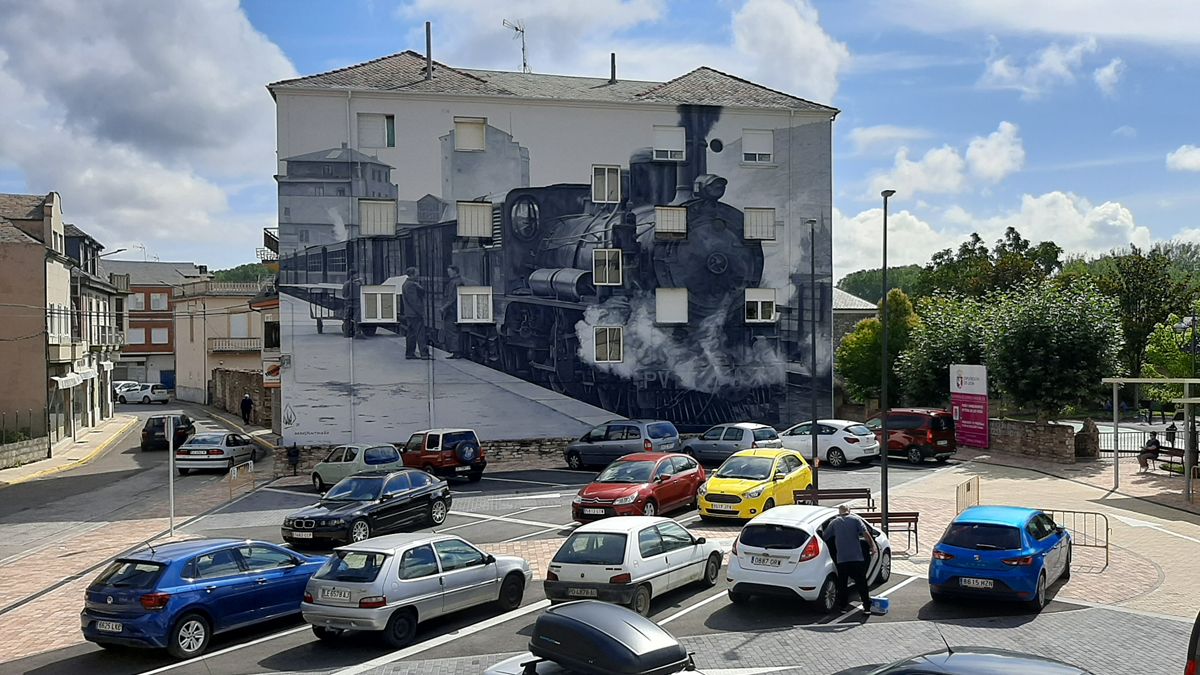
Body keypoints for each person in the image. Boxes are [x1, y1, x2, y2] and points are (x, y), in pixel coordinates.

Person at [820, 504, 878, 613]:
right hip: (857, 558)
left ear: (839, 512)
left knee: (843, 584)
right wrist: (873, 546)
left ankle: (843, 607)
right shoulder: (856, 520)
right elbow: (866, 535)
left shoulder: (834, 522)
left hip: (842, 559)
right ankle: (866, 607)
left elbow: (825, 536)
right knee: (861, 583)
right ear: (849, 511)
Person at [402, 266, 430, 360]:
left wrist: (419, 286)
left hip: (410, 313)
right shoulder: (410, 285)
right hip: (414, 314)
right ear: (412, 274)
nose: (418, 275)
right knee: (420, 334)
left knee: (411, 334)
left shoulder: (409, 284)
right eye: (416, 273)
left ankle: (409, 354)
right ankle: (424, 354)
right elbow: (414, 301)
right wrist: (421, 312)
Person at [441, 265, 465, 359]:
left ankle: (456, 352)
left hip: (452, 311)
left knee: (452, 331)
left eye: (450, 272)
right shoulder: (456, 281)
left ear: (455, 271)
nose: (449, 274)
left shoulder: (455, 282)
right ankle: (455, 351)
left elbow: (452, 298)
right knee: (452, 331)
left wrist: (444, 307)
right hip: (453, 310)